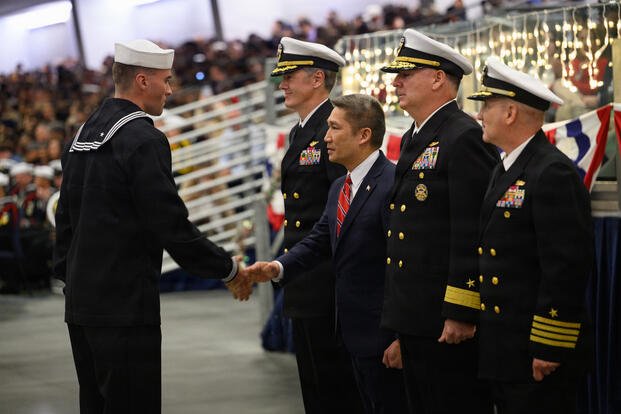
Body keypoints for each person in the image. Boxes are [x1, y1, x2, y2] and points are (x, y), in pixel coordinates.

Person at [53, 39, 251, 414]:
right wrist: (228, 269)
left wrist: (72, 280)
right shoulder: (143, 139)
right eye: (166, 80)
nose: (170, 90)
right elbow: (170, 225)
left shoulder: (82, 135)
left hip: (81, 304)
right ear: (143, 81)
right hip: (125, 306)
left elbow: (64, 222)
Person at [247, 94, 407, 414]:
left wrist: (401, 336)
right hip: (348, 334)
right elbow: (318, 241)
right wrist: (277, 267)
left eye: (335, 128)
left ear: (363, 135)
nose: (326, 137)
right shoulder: (339, 188)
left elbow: (403, 266)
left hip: (383, 338)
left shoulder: (392, 184)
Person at [379, 29, 499, 414]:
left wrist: (462, 310)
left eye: (406, 74)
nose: (395, 83)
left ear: (437, 78)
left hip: (444, 316)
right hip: (416, 313)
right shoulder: (417, 135)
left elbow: (472, 230)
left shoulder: (463, 136)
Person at [467, 56, 594, 414]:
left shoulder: (551, 172)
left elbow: (565, 267)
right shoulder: (508, 166)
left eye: (487, 106)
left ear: (510, 113)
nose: (479, 115)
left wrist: (549, 345)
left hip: (535, 348)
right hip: (505, 346)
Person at [269, 37, 362, 413]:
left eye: (290, 76)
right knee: (315, 389)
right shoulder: (301, 131)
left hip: (327, 283)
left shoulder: (334, 127)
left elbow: (342, 214)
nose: (283, 85)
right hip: (305, 280)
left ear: (318, 79)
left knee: (334, 390)